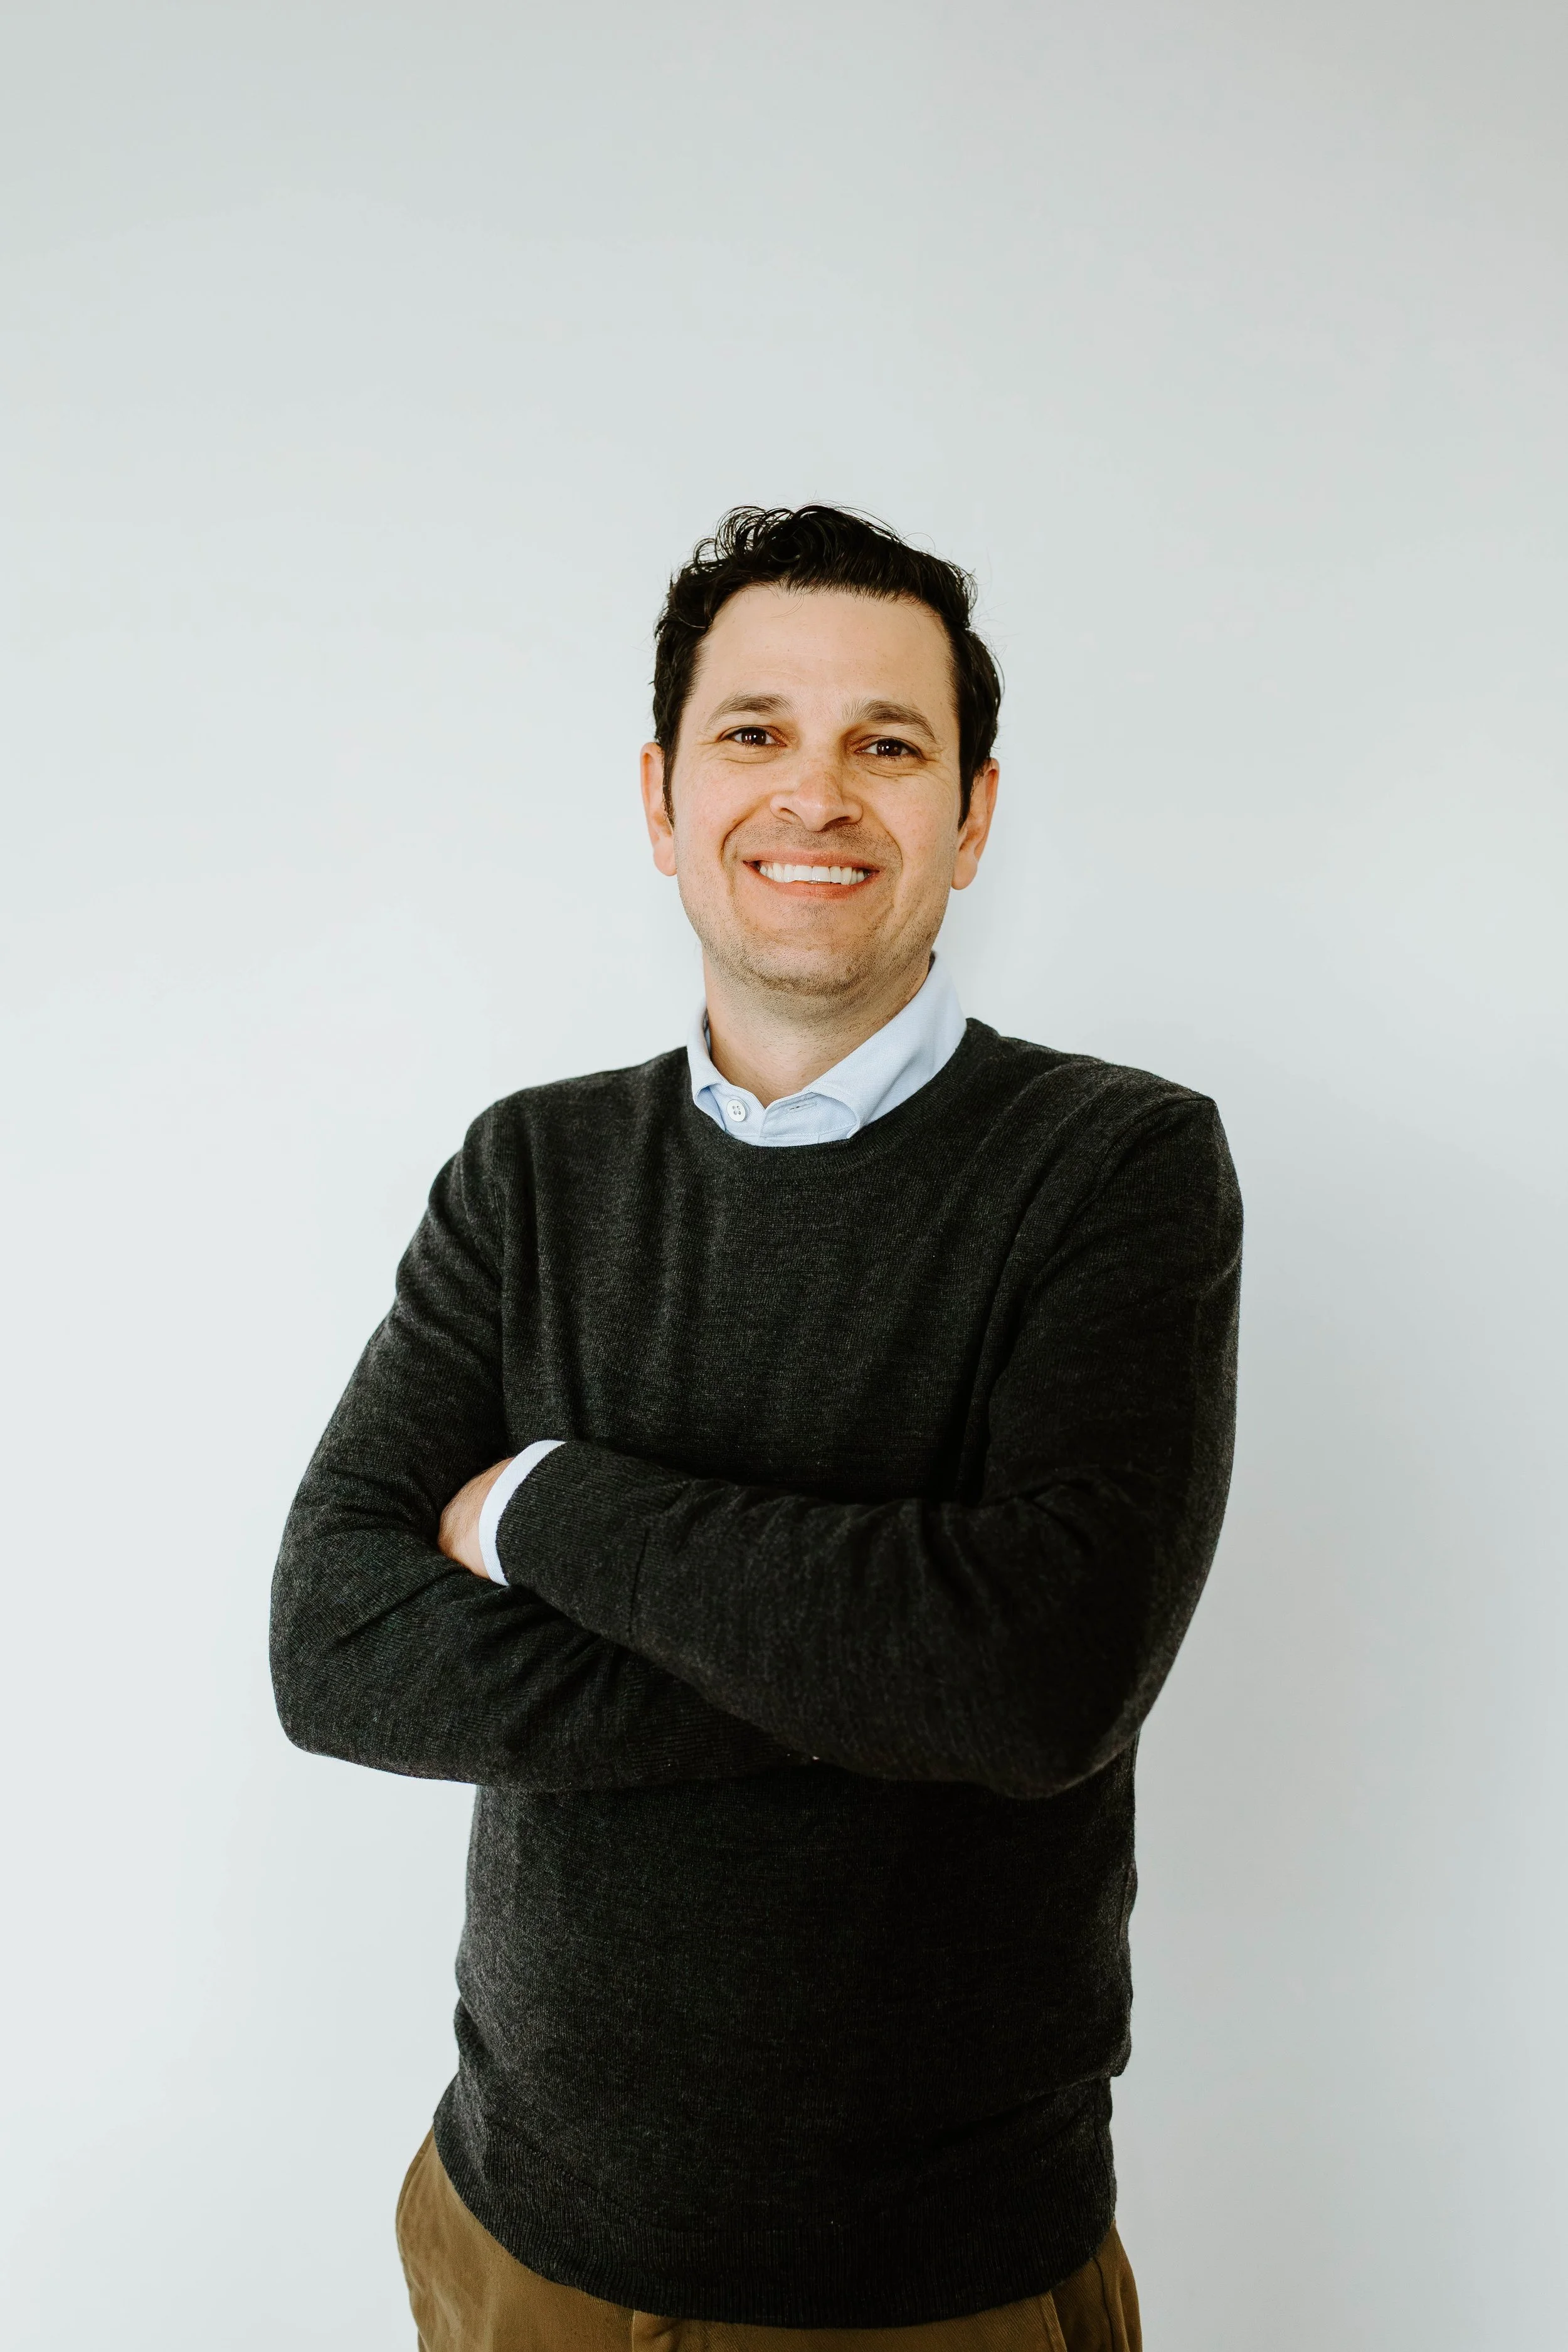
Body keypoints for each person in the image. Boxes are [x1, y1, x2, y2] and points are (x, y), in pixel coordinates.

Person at [271, 505, 1241, 2352]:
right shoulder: (528, 1169)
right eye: (753, 732)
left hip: (922, 2288)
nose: (816, 792)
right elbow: (333, 1643)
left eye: (886, 742)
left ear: (968, 816)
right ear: (660, 796)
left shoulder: (1112, 1167)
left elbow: (1041, 1678)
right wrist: (883, 1667)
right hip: (512, 2244)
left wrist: (554, 1504)